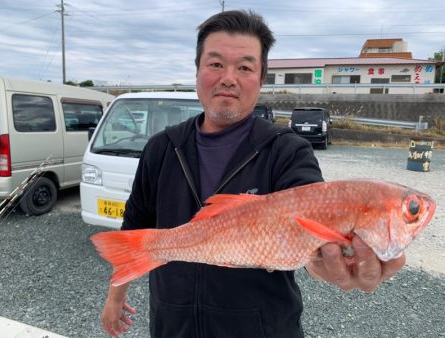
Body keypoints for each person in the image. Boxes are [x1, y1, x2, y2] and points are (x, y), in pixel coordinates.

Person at [100, 10, 406, 338]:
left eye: (245, 67)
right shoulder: (162, 148)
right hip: (173, 327)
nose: (228, 77)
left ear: (260, 80)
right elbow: (134, 229)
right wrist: (115, 296)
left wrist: (329, 262)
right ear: (198, 71)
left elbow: (313, 232)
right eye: (215, 64)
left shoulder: (287, 150)